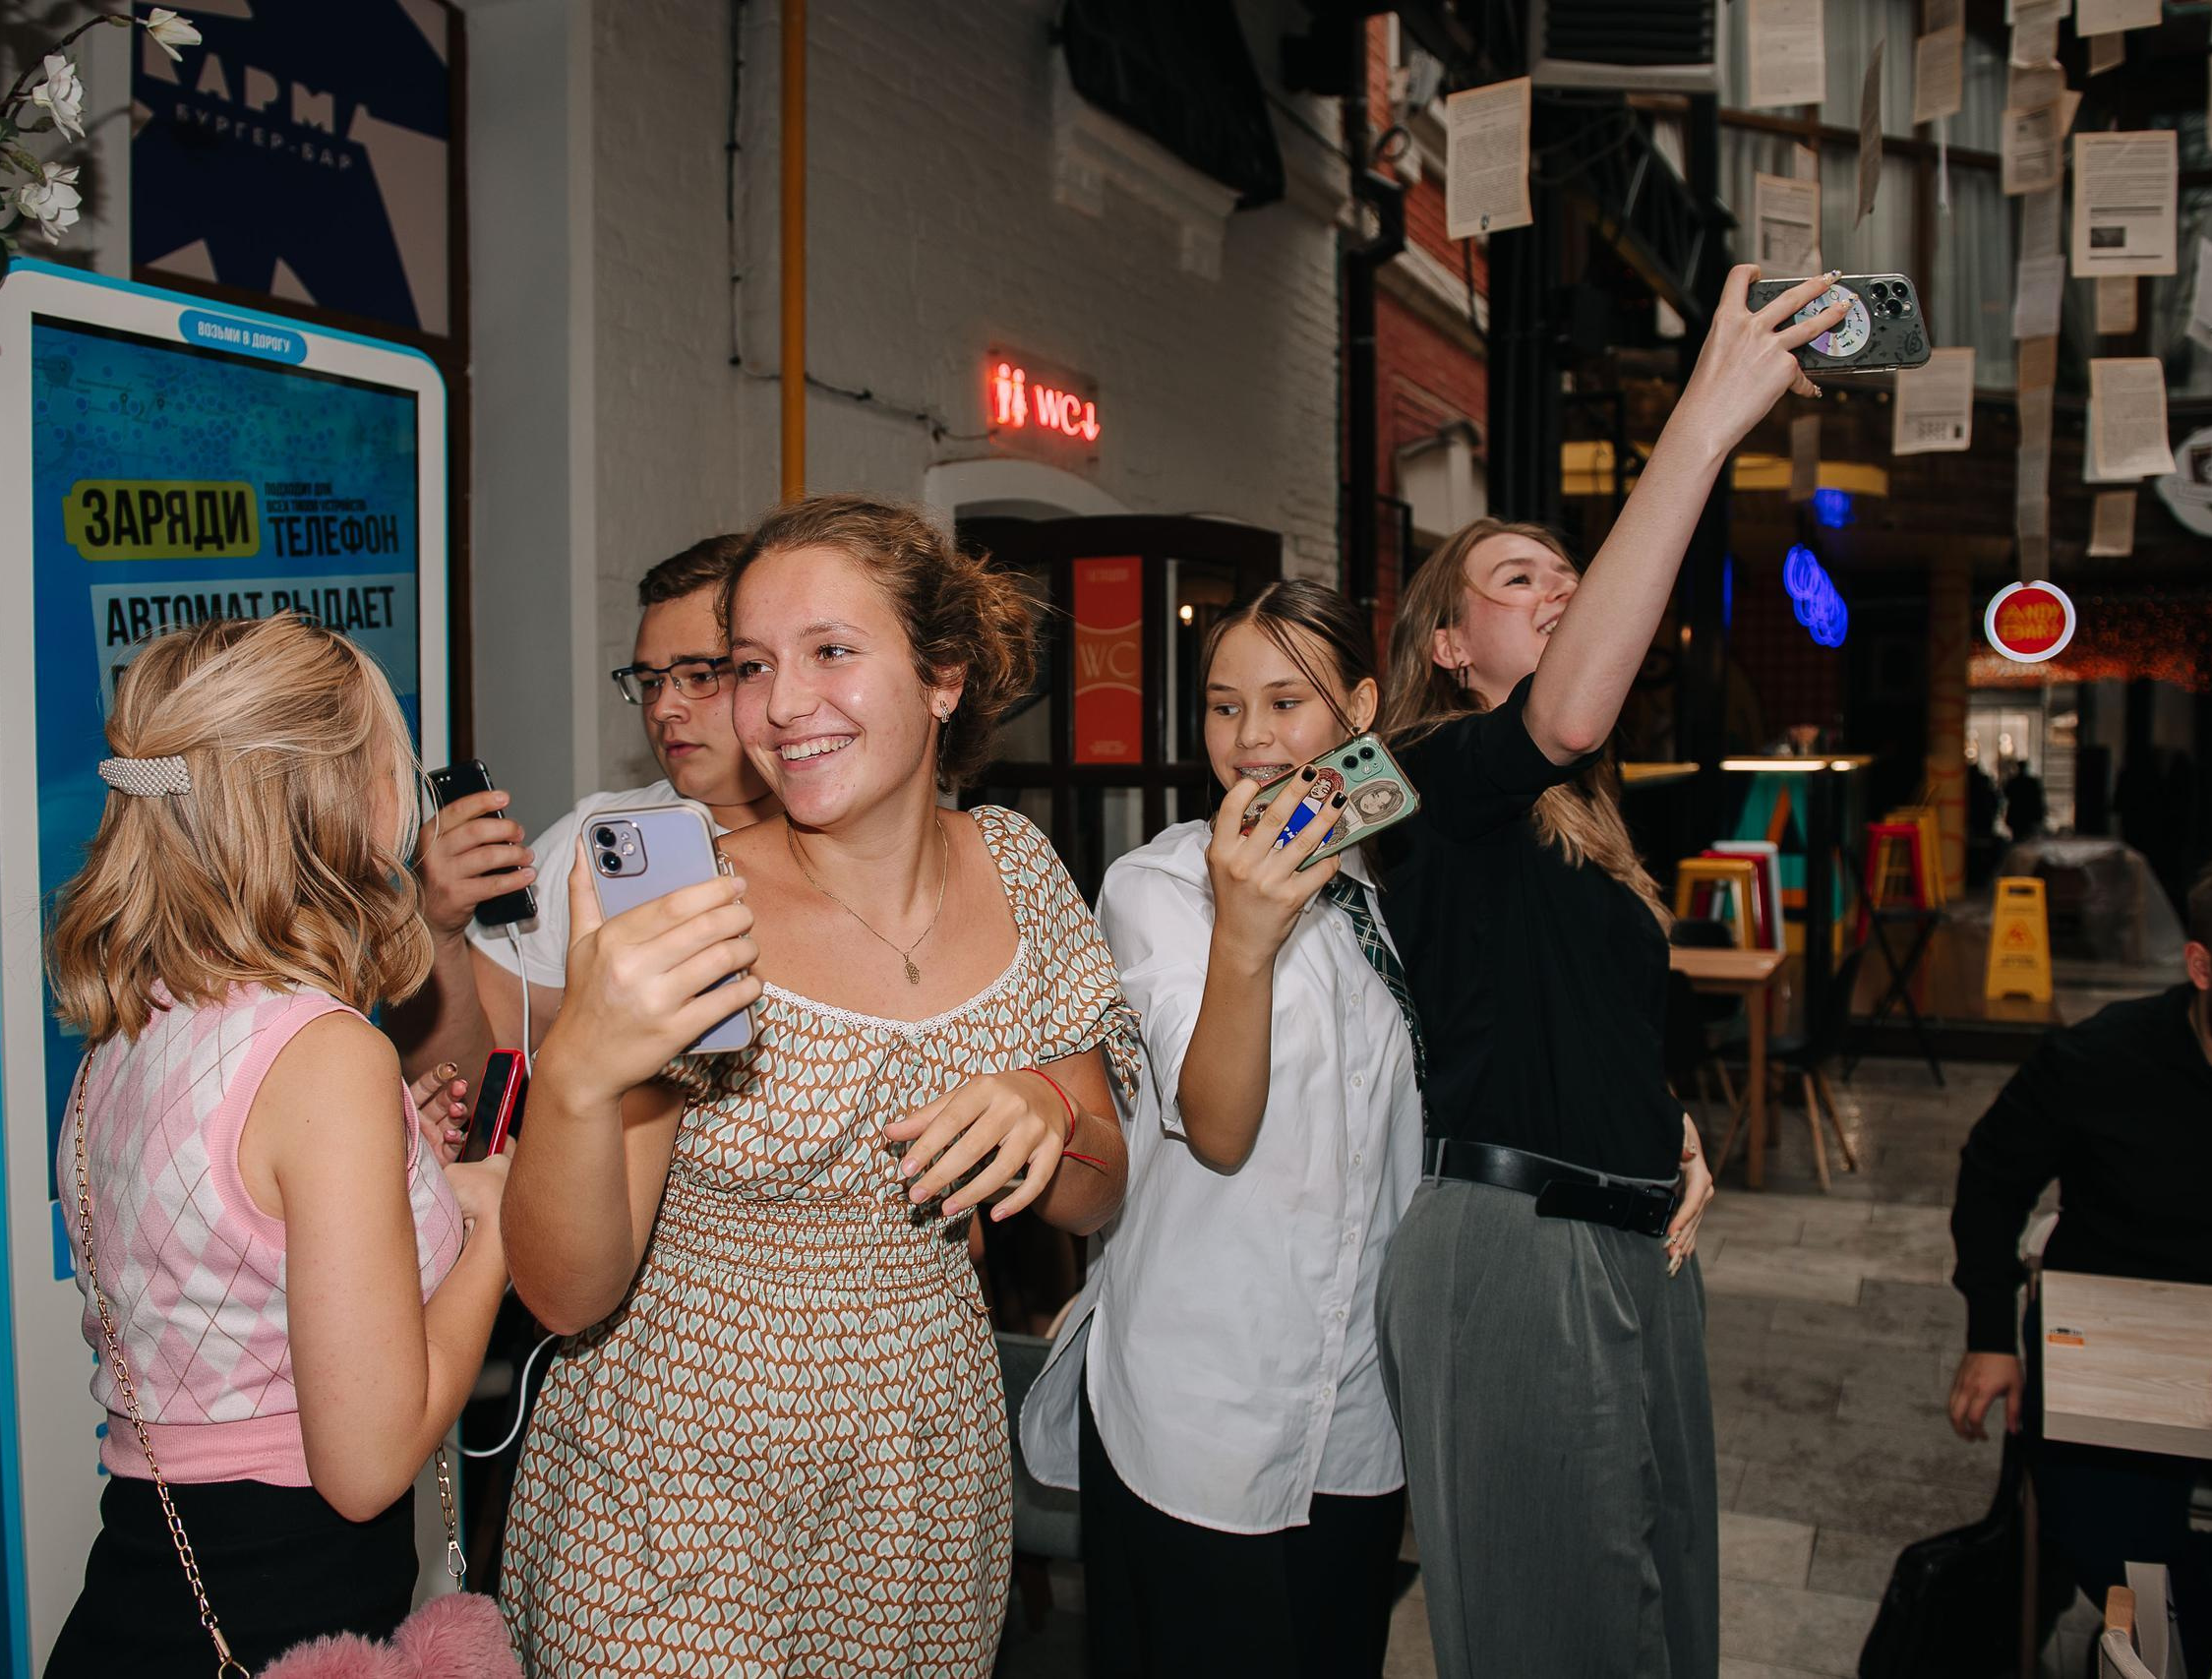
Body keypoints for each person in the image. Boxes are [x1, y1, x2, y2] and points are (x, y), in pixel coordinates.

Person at [497, 495, 1140, 1675]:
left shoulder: (1015, 866)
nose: (782, 705)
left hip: (920, 1476)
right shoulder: (687, 907)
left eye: (832, 652)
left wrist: (1049, 1111)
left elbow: (1096, 1194)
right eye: (751, 665)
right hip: (676, 1479)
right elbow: (569, 1293)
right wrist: (580, 1073)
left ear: (943, 677)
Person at [1372, 263, 1836, 1676]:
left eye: (1578, 578)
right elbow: (1561, 715)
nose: (1566, 592)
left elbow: (1561, 1014)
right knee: (1554, 1638)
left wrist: (1668, 1131)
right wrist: (1701, 424)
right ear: (1452, 648)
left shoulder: (1582, 817)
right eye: (1524, 581)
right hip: (1514, 1251)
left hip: (1636, 1241)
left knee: (1654, 1617)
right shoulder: (1424, 770)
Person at [39, 615, 513, 1676]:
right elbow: (368, 1463)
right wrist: (495, 1230)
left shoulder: (135, 1024)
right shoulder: (323, 1054)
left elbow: (229, 1260)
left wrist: (408, 1181)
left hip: (145, 1587)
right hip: (286, 1616)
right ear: (333, 795)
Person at [1018, 581, 1419, 1677]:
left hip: (1353, 1407)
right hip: (1198, 1401)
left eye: (1287, 702)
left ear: (1361, 710)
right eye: (1223, 705)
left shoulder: (1386, 891)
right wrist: (1245, 932)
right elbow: (1218, 1128)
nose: (1249, 738)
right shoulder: (1156, 891)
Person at [1946, 846, 2212, 1672]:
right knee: (2117, 1547)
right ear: (2200, 965)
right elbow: (1991, 1179)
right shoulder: (2101, 1059)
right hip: (2113, 1353)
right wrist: (1991, 1333)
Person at [395, 533, 785, 1079]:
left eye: (698, 675)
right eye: (649, 682)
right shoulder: (595, 844)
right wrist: (435, 932)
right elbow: (468, 1086)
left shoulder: (863, 843)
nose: (664, 707)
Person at [2003, 757, 2047, 844]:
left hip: (2017, 814)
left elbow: (2006, 794)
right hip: (2028, 815)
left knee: (2018, 838)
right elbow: (2038, 798)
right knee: (2027, 838)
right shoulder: (2032, 782)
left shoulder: (2014, 782)